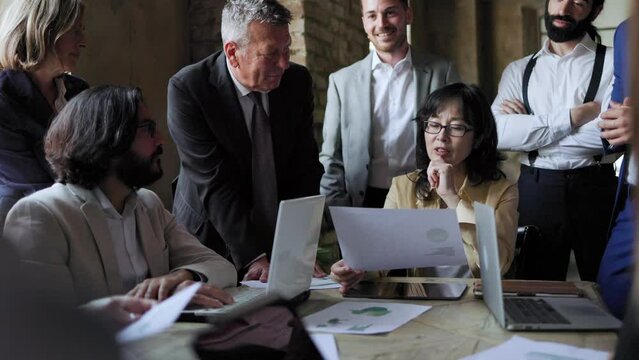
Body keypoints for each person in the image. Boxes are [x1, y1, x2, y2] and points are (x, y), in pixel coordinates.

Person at [3, 85, 237, 308]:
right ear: (108, 136)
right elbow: (41, 320)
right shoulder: (40, 214)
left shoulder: (148, 204)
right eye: (147, 128)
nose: (161, 139)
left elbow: (223, 267)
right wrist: (128, 308)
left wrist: (180, 278)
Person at [168, 0, 323, 282]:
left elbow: (305, 168)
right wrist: (254, 256)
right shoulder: (190, 89)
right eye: (271, 53)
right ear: (233, 52)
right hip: (210, 240)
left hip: (277, 233)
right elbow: (213, 182)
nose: (284, 63)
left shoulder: (296, 82)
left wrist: (298, 247)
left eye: (287, 49)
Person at [331, 83, 518, 292]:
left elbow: (498, 265)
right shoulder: (403, 187)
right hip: (420, 309)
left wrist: (452, 199)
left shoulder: (502, 190)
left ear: (479, 138)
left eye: (456, 127)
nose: (441, 136)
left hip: (477, 308)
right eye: (434, 124)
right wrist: (355, 269)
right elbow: (380, 259)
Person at [492, 0, 615, 281]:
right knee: (536, 289)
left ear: (595, 11)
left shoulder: (614, 62)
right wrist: (576, 117)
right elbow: (499, 133)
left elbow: (608, 137)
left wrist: (529, 134)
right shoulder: (517, 70)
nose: (564, 8)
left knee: (607, 288)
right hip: (536, 188)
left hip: (597, 186)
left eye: (579, 2)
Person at [320, 0, 459, 210]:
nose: (381, 23)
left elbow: (459, 139)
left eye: (390, 12)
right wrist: (339, 211)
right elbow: (331, 158)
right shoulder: (342, 82)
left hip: (425, 197)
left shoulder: (443, 72)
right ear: (364, 22)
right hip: (363, 204)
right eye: (372, 16)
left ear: (408, 15)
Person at [0, 0, 89, 234]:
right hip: (25, 233)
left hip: (84, 223)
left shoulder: (79, 91)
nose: (84, 41)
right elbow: (38, 187)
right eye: (76, 30)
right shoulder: (4, 100)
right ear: (45, 30)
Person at [597, 18, 634, 319]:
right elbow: (614, 115)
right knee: (612, 293)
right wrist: (614, 128)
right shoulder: (627, 31)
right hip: (634, 199)